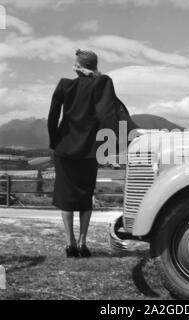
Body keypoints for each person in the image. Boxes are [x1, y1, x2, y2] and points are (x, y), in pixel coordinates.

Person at [47, 49, 138, 258]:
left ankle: (69, 243)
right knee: (85, 196)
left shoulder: (64, 84)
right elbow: (109, 114)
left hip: (64, 149)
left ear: (77, 66)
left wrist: (54, 141)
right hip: (89, 151)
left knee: (66, 197)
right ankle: (82, 242)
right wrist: (123, 137)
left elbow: (53, 117)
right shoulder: (102, 83)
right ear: (94, 66)